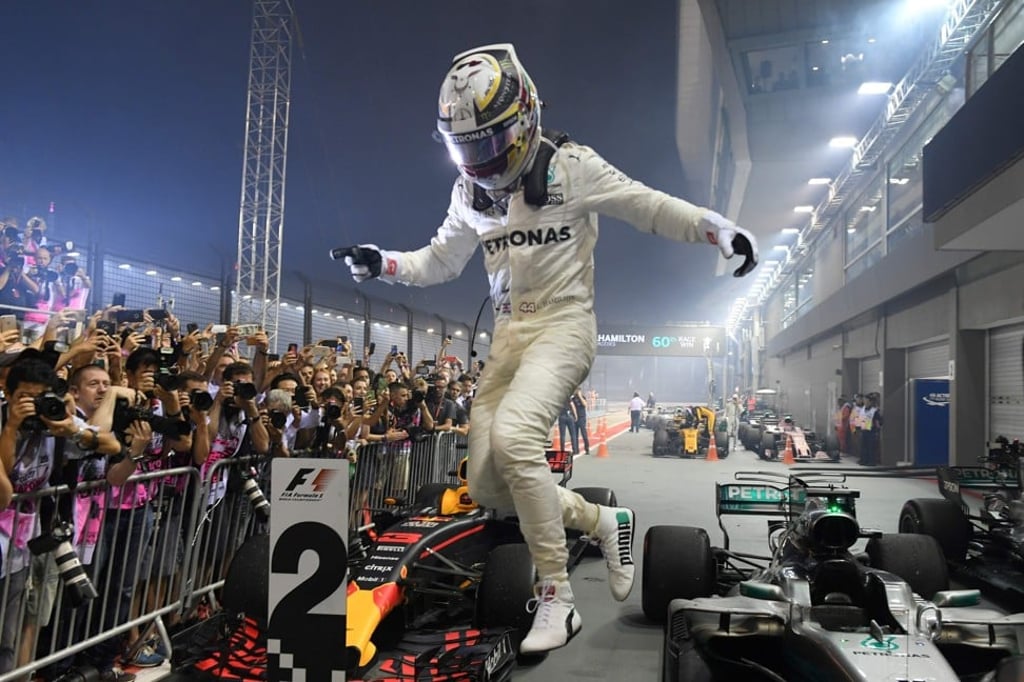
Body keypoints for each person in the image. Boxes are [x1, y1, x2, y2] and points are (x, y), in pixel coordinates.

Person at [338, 43, 758, 654]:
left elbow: (646, 205)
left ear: (525, 116)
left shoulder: (573, 167)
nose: (478, 161)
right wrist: (385, 262)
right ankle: (601, 520)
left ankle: (558, 599)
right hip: (509, 337)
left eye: (487, 144)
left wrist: (714, 226)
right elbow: (439, 259)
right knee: (485, 485)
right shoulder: (468, 194)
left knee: (514, 440)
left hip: (564, 325)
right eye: (466, 148)